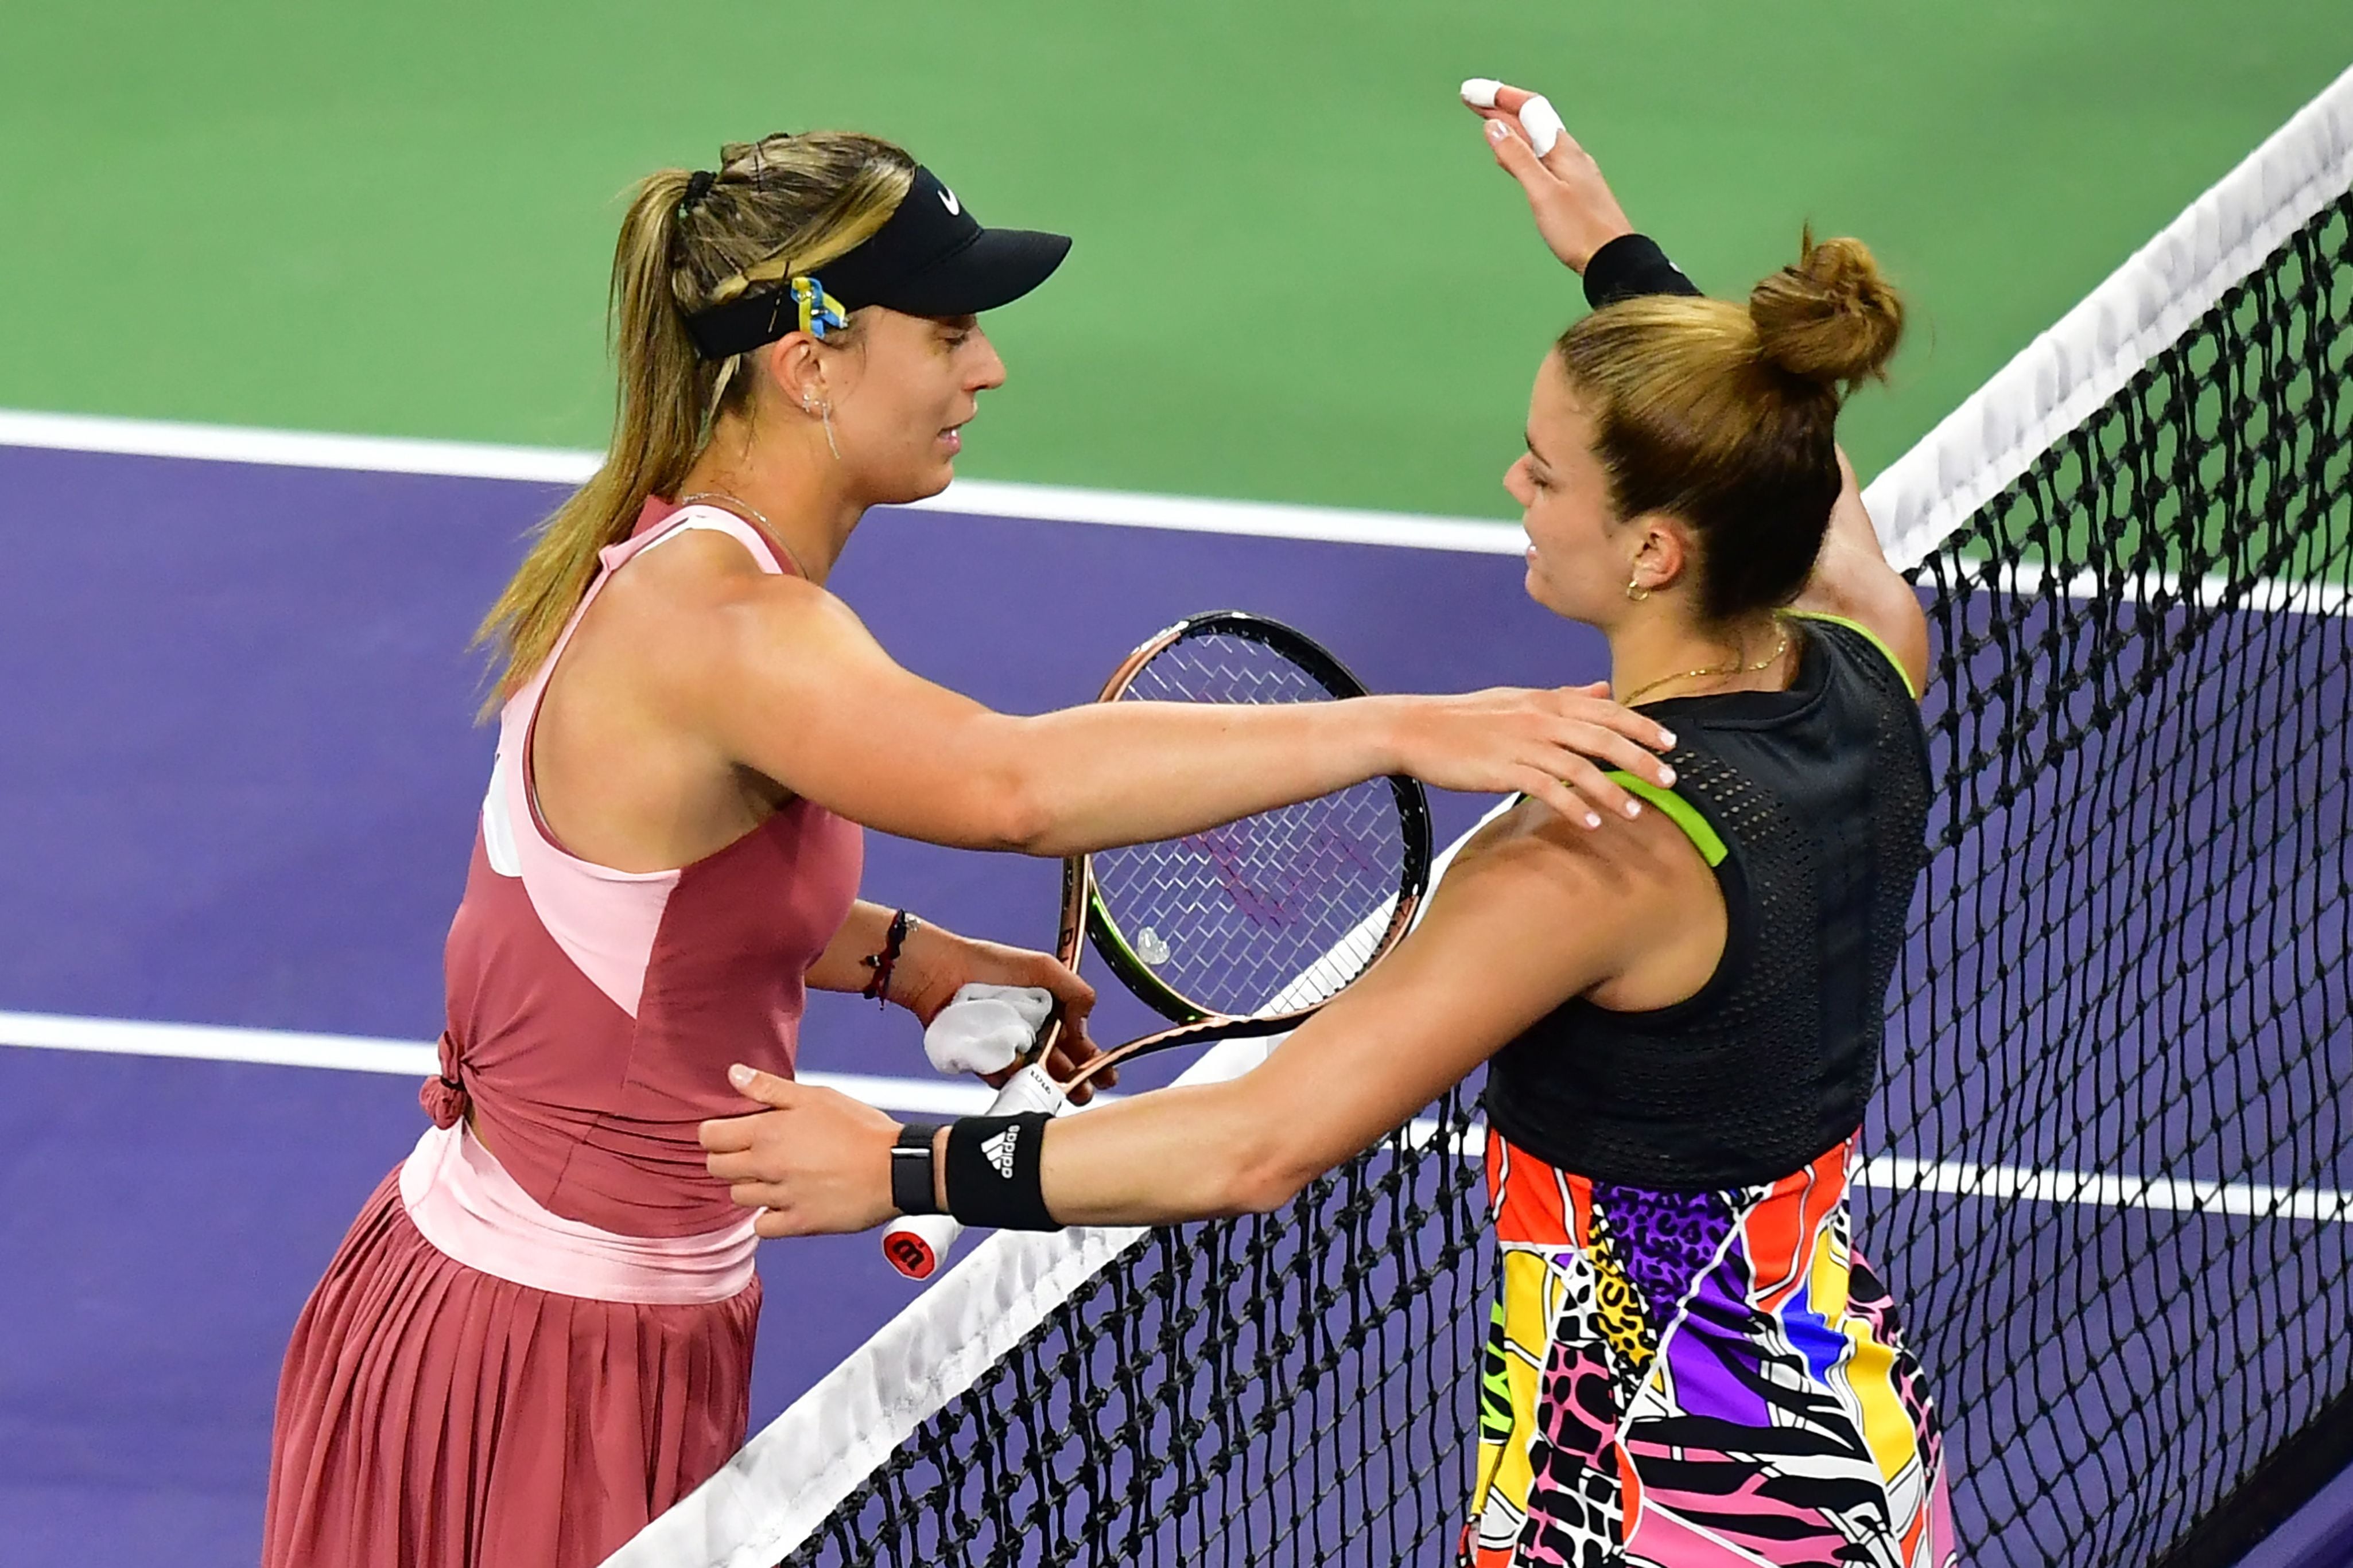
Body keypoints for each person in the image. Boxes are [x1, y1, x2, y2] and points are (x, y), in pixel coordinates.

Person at [260, 129, 1675, 1568]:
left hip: (602, 1320)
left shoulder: (688, 558)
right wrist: (1408, 725)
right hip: (533, 1359)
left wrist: (909, 959)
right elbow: (1013, 787)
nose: (986, 368)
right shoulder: (726, 627)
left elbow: (626, 898)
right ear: (807, 362)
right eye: (946, 332)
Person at [704, 91, 1958, 1568]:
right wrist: (1618, 263)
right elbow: (1783, 459)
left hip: (1650, 1501)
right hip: (1850, 1449)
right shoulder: (1874, 661)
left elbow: (1257, 1144)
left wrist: (900, 1169)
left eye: (1546, 472)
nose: (1515, 485)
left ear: (1654, 549)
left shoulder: (1586, 853)